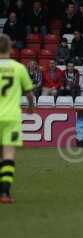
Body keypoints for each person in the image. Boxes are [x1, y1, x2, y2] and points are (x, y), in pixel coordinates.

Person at [0, 34, 35, 204]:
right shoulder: (18, 68)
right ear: (10, 48)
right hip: (11, 117)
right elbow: (29, 93)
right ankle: (5, 193)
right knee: (8, 153)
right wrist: (30, 107)